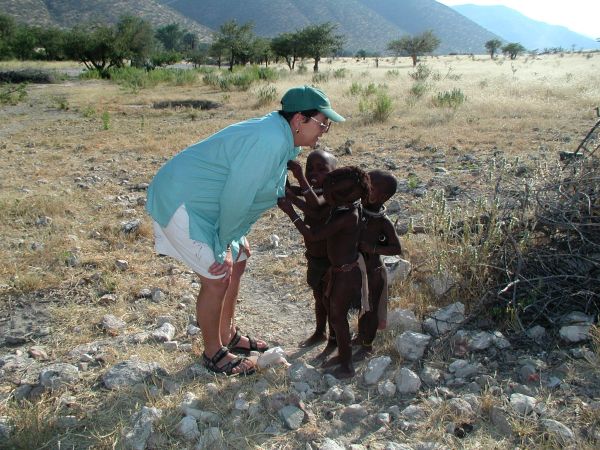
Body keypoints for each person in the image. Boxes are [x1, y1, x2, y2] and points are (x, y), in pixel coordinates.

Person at [146, 85, 345, 376]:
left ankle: (226, 334)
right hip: (184, 202)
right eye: (322, 122)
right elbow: (236, 197)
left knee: (240, 256)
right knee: (218, 275)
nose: (325, 129)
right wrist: (222, 241)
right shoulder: (270, 140)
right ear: (300, 119)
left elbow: (263, 188)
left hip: (206, 202)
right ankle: (213, 353)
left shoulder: (281, 136)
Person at [278, 166, 371, 379]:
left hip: (345, 274)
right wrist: (292, 197)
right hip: (340, 270)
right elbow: (317, 210)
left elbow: (313, 235)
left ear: (341, 196)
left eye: (329, 195)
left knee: (338, 318)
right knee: (335, 313)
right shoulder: (346, 206)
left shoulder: (348, 215)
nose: (324, 198)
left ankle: (346, 365)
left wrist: (290, 212)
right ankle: (342, 355)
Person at [285, 150, 338, 349]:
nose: (314, 174)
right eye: (309, 170)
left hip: (332, 261)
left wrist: (297, 181)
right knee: (318, 297)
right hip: (314, 257)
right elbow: (289, 191)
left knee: (331, 300)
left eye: (321, 169)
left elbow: (315, 209)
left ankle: (334, 339)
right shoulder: (311, 190)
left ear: (334, 174)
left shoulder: (332, 196)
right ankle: (319, 332)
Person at [353, 170, 402, 361]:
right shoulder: (358, 209)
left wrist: (371, 248)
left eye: (370, 188)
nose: (364, 189)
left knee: (371, 309)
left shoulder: (382, 221)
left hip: (373, 271)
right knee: (363, 308)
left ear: (382, 197)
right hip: (358, 269)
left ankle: (367, 345)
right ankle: (360, 337)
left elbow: (396, 248)